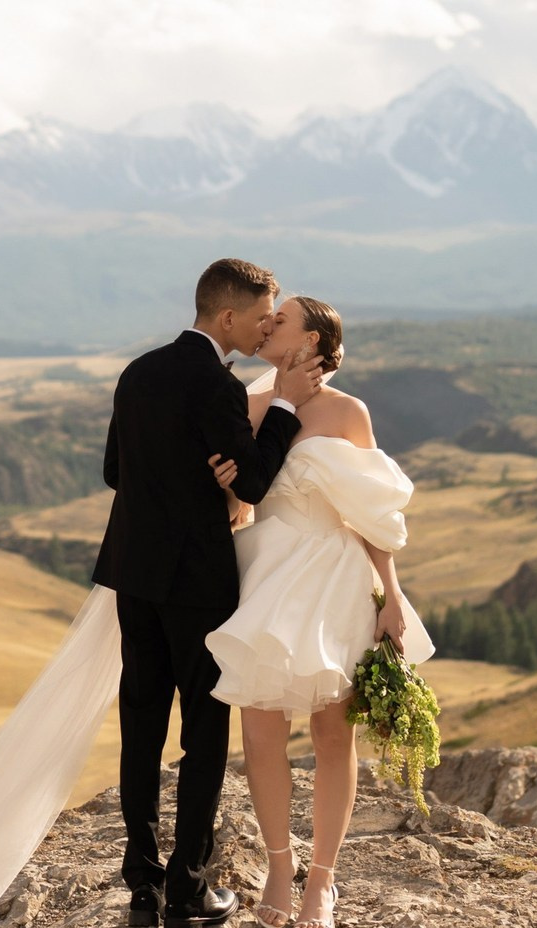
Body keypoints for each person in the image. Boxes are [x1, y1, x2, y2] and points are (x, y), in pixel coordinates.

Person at [91, 259, 327, 928]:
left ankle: (141, 884)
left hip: (134, 575)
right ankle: (189, 890)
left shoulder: (137, 373)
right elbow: (251, 484)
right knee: (202, 734)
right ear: (227, 317)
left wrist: (198, 476)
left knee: (140, 724)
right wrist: (278, 406)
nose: (263, 330)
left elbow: (116, 470)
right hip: (196, 585)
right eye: (259, 318)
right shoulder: (219, 387)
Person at [204, 295, 433, 928]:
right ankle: (281, 867)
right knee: (260, 727)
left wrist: (388, 595)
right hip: (267, 572)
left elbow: (373, 513)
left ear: (312, 341)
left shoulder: (346, 412)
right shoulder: (248, 407)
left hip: (335, 575)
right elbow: (236, 502)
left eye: (281, 320)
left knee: (335, 732)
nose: (267, 324)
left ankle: (322, 884)